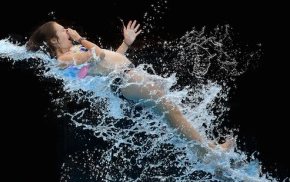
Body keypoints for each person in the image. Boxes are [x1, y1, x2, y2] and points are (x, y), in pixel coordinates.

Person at [26, 20, 233, 155]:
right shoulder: (65, 58)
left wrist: (125, 44)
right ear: (54, 39)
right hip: (125, 80)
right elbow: (99, 54)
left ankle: (204, 151)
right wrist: (80, 37)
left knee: (172, 115)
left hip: (126, 78)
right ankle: (208, 151)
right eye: (63, 30)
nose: (67, 31)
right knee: (172, 113)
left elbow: (108, 62)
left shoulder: (72, 51)